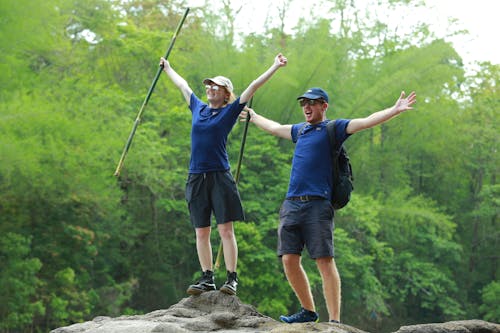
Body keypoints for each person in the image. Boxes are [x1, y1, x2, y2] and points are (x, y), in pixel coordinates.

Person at [240, 87, 416, 322]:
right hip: (292, 203)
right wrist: (253, 116)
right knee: (288, 259)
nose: (307, 107)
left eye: (312, 103)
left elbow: (365, 122)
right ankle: (308, 311)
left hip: (318, 205)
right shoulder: (300, 130)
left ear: (324, 106)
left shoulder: (333, 128)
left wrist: (394, 110)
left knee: (324, 260)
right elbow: (274, 127)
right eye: (304, 103)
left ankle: (334, 321)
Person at [159, 53, 288, 296]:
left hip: (219, 176)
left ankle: (232, 278)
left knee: (225, 229)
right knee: (201, 231)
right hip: (196, 176)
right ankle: (207, 277)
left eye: (216, 86)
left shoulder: (229, 112)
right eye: (209, 85)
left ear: (225, 93)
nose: (210, 88)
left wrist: (274, 66)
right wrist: (168, 68)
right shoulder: (198, 107)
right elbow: (183, 85)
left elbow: (253, 86)